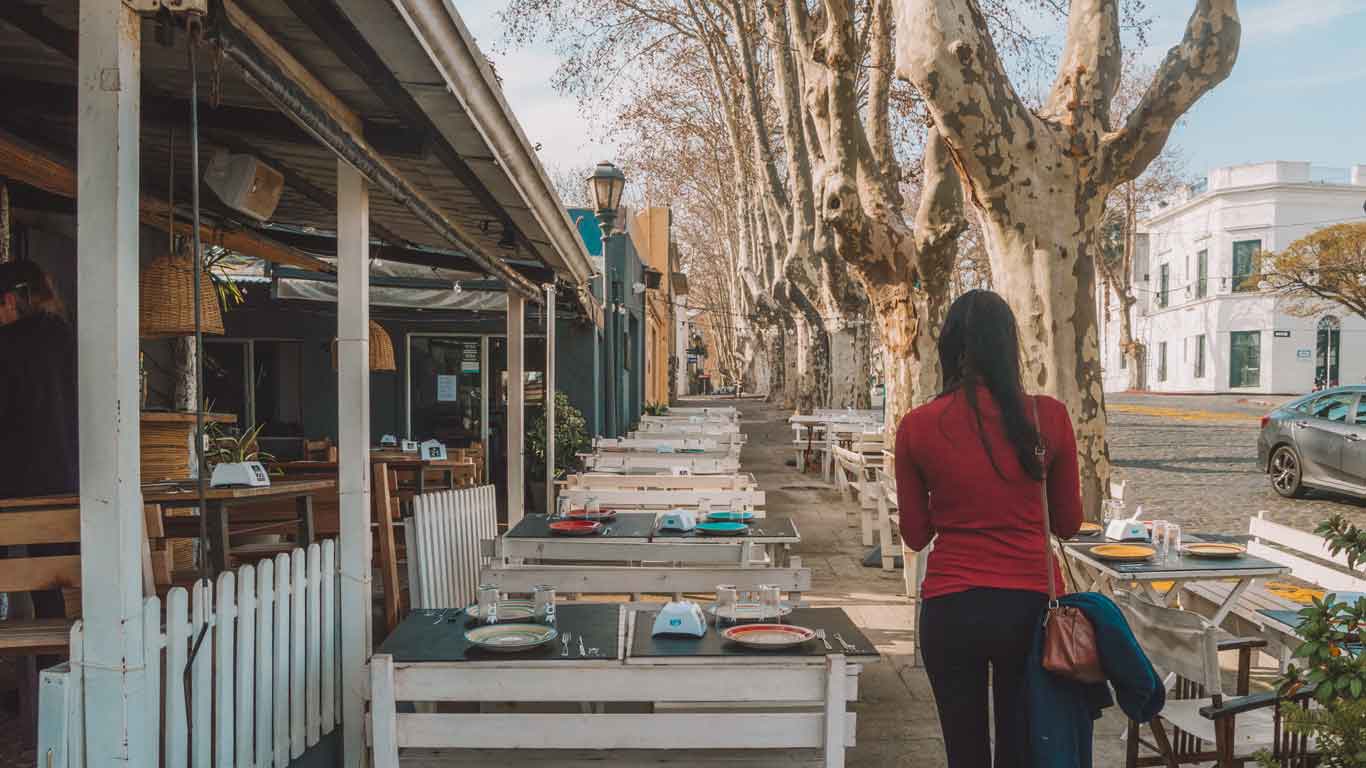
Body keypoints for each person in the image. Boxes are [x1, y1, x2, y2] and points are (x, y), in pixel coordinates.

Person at [894, 289, 1083, 768]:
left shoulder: (916, 425)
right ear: (1009, 346)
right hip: (1030, 608)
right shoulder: (1050, 416)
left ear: (948, 348)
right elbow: (1067, 524)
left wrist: (957, 499)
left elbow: (915, 536)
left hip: (951, 607)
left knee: (965, 751)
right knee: (1022, 749)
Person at [0, 261, 79, 624]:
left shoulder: (8, 345)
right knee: (49, 593)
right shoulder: (69, 338)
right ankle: (50, 670)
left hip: (15, 489)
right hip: (68, 487)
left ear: (9, 302)